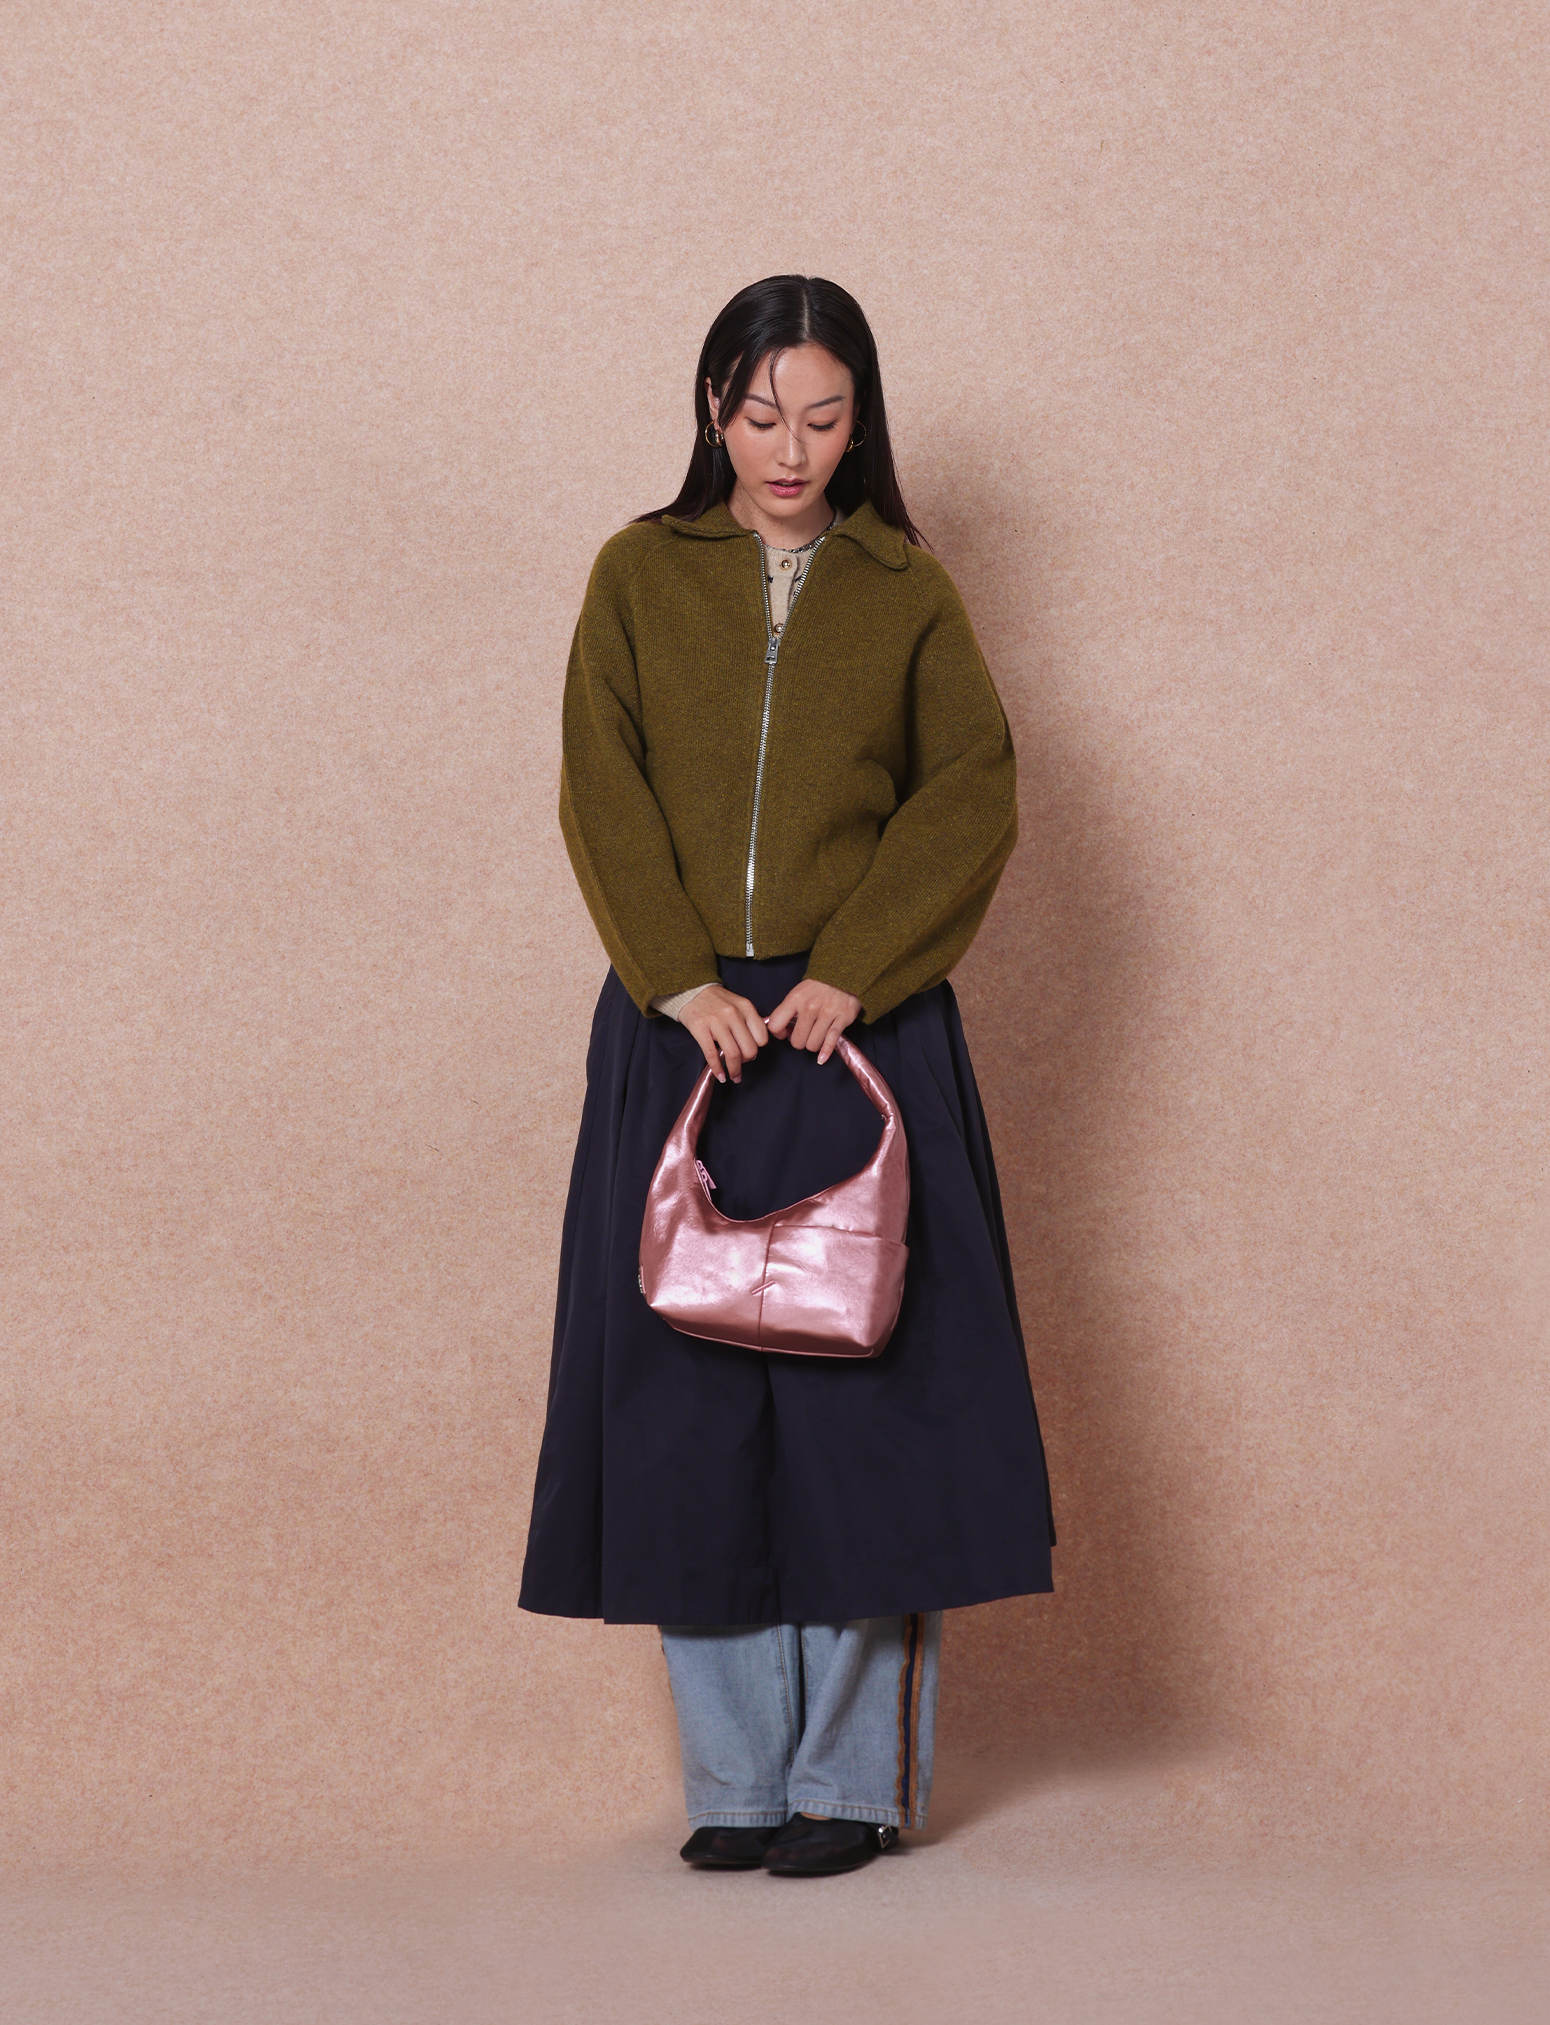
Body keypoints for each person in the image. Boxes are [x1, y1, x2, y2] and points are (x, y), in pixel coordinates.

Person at [518, 274, 1055, 1878]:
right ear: (712, 409)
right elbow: (598, 776)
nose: (790, 448)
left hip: (853, 1032)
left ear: (860, 422)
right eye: (761, 414)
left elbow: (970, 788)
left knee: (864, 1417)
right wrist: (677, 976)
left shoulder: (904, 589)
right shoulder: (637, 573)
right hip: (682, 1033)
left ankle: (848, 1787)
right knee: (682, 1415)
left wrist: (855, 967)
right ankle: (739, 1784)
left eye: (823, 417)